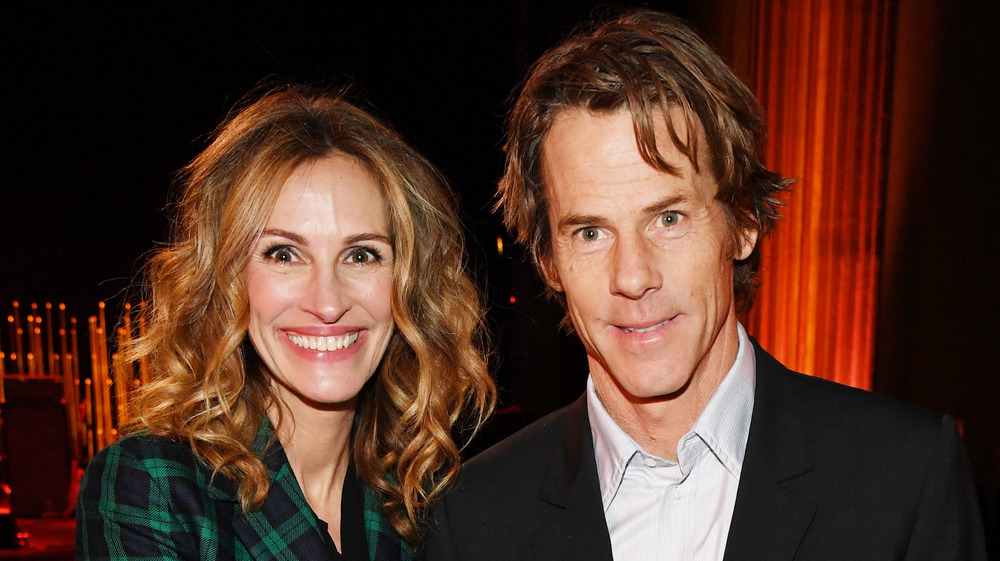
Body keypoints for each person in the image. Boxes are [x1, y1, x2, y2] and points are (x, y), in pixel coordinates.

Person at [423, 9, 987, 560]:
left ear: (743, 222)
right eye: (591, 231)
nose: (633, 276)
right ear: (549, 260)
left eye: (668, 218)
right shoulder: (473, 517)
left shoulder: (905, 477)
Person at [76, 85, 495, 561]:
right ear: (228, 280)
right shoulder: (154, 485)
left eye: (361, 255)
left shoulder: (430, 497)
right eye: (284, 254)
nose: (328, 301)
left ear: (408, 283)